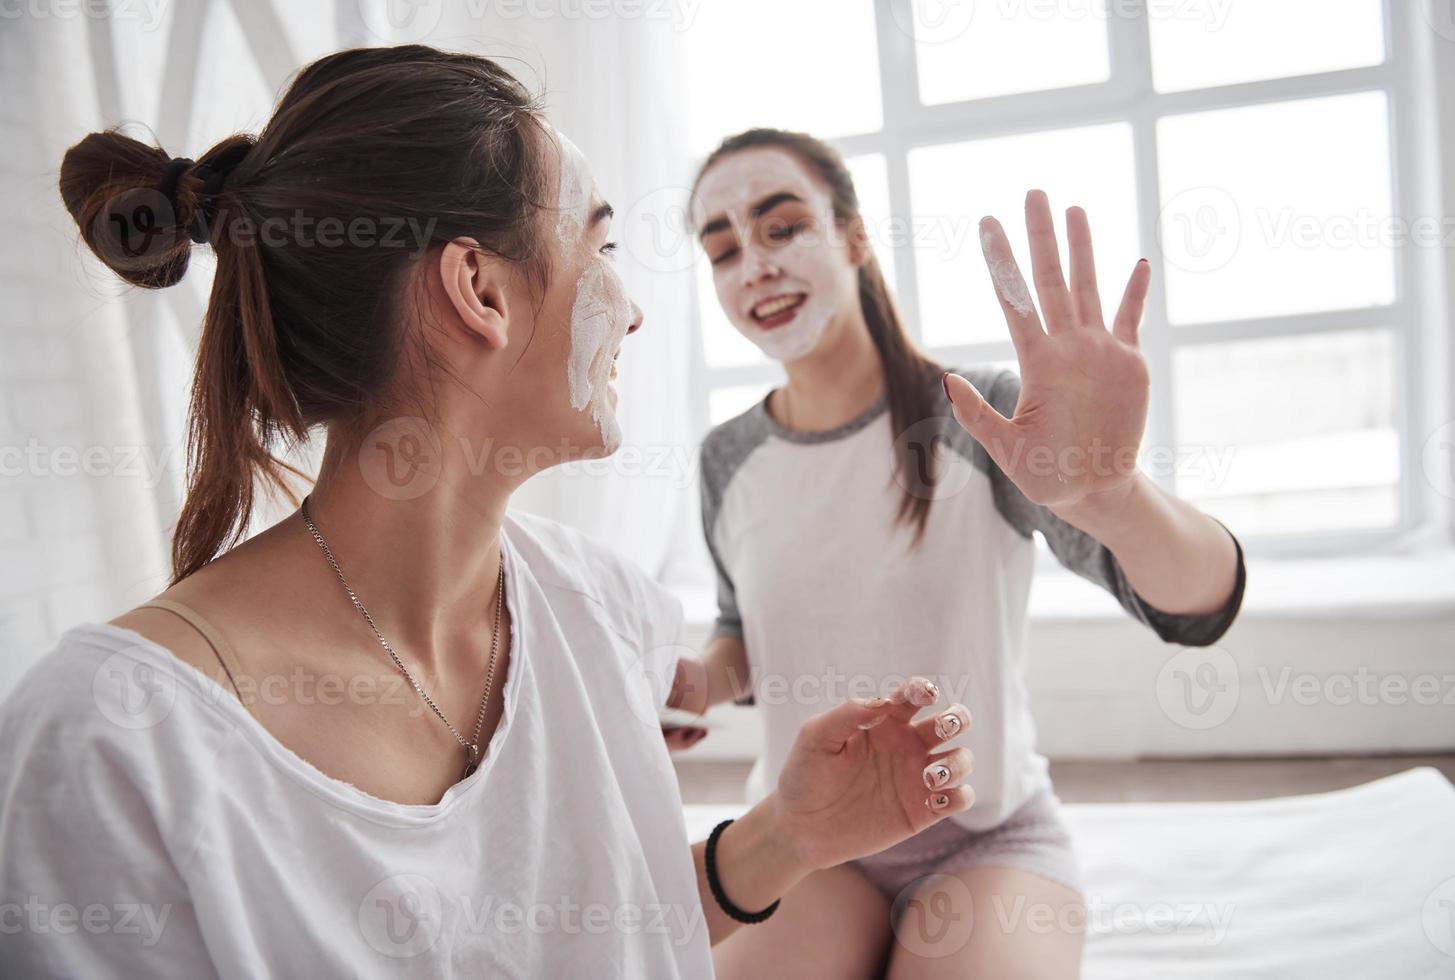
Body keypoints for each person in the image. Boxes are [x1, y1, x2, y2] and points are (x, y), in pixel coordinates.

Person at [0, 49, 979, 978]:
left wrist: (784, 834)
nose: (632, 310)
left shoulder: (604, 614)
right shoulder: (113, 745)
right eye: (599, 243)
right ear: (477, 289)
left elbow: (594, 931)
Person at [668, 129, 1247, 978]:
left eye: (781, 227)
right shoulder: (727, 457)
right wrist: (704, 679)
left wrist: (1114, 499)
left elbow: (1199, 603)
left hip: (985, 840)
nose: (750, 264)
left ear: (854, 238)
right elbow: (743, 628)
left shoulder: (983, 419)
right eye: (721, 250)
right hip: (810, 836)